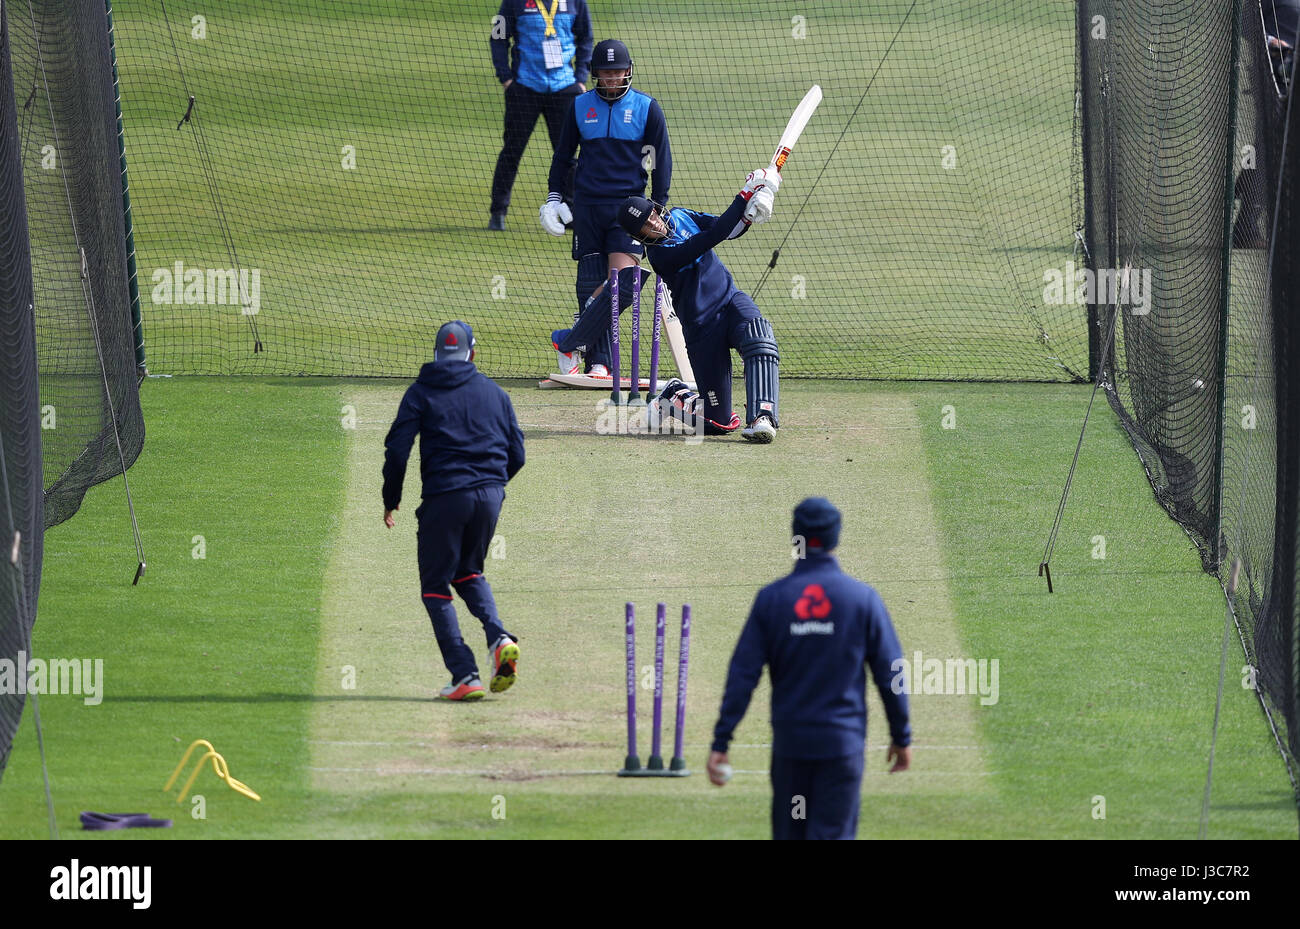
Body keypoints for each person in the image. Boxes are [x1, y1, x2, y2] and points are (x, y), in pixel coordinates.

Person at [706, 498, 913, 839]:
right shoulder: (861, 600)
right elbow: (891, 674)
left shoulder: (772, 599)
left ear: (795, 537)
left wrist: (721, 740)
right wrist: (901, 737)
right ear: (836, 538)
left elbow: (743, 676)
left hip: (792, 752)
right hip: (840, 751)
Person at [550, 169, 780, 441]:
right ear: (640, 236)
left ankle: (762, 417)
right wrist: (744, 194)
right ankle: (673, 397)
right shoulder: (660, 256)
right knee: (718, 424)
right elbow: (712, 237)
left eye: (653, 216)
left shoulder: (680, 215)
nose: (655, 224)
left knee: (759, 337)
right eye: (647, 226)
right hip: (701, 328)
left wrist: (751, 210)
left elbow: (727, 229)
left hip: (730, 301)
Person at [382, 321, 526, 701]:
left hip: (446, 498)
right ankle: (498, 638)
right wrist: (493, 486)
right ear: (472, 354)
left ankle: (464, 674)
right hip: (490, 496)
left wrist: (390, 497)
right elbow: (518, 455)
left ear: (435, 354)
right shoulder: (496, 393)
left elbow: (397, 449)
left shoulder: (420, 392)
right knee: (468, 571)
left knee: (435, 584)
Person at [540, 38, 672, 376]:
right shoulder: (580, 106)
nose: (611, 78)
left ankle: (568, 341)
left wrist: (658, 205)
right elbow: (564, 156)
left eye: (617, 72)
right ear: (595, 74)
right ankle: (599, 363)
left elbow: (661, 160)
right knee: (589, 286)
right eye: (605, 72)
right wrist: (554, 198)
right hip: (586, 206)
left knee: (624, 283)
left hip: (628, 209)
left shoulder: (646, 107)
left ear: (628, 71)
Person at [488, 0, 593, 231]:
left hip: (564, 89)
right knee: (512, 152)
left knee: (567, 154)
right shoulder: (514, 2)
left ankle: (572, 213)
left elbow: (585, 38)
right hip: (525, 88)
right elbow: (498, 37)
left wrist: (580, 79)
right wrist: (505, 77)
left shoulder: (576, 2)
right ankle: (498, 212)